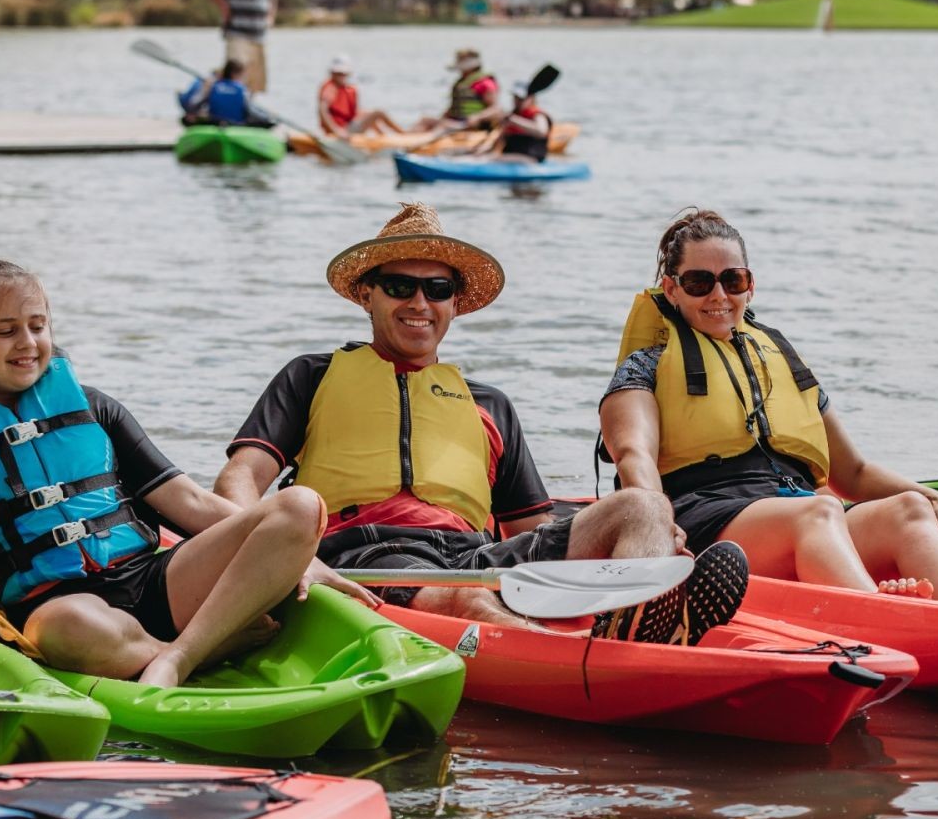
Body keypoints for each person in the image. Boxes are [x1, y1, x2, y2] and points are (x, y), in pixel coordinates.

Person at [213, 202, 749, 646]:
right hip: (370, 553)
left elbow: (532, 534)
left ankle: (638, 616)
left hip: (472, 552)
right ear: (367, 295)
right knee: (466, 597)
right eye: (399, 286)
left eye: (437, 290)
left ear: (453, 305)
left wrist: (638, 538)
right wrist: (277, 557)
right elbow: (239, 480)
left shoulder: (489, 404)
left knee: (645, 506)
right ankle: (590, 653)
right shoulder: (313, 375)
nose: (419, 303)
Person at [0, 258, 375, 690]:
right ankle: (202, 647)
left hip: (153, 580)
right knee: (69, 628)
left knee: (300, 505)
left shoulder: (93, 407)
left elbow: (190, 503)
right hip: (53, 607)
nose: (28, 343)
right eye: (6, 331)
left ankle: (181, 657)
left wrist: (300, 555)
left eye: (38, 326)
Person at [599, 209, 938, 607]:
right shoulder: (647, 366)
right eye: (698, 283)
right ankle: (880, 613)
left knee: (906, 509)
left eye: (733, 280)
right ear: (672, 288)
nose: (718, 295)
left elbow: (853, 473)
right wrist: (658, 526)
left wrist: (927, 494)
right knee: (818, 510)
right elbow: (634, 456)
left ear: (751, 285)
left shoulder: (777, 360)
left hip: (803, 514)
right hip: (710, 522)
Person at [410, 48, 499, 133]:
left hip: (472, 124)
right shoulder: (462, 83)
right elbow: (453, 108)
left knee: (445, 125)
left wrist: (478, 117)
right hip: (456, 121)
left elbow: (494, 109)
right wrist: (443, 117)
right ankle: (408, 139)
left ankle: (423, 142)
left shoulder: (485, 83)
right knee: (425, 120)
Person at [316, 56, 403, 137]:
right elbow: (322, 110)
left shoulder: (347, 89)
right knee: (379, 113)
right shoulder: (329, 88)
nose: (341, 76)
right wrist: (336, 131)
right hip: (342, 130)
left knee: (370, 114)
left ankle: (383, 139)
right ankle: (403, 135)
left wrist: (368, 117)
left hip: (346, 126)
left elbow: (354, 114)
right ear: (332, 74)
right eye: (338, 74)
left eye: (343, 74)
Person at [178, 59, 271, 127]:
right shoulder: (242, 90)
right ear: (235, 74)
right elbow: (250, 110)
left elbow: (193, 105)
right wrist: (267, 118)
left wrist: (204, 91)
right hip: (236, 125)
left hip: (215, 123)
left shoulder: (213, 87)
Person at [480, 79, 552, 162]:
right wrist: (482, 151)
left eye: (521, 99)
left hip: (530, 158)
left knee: (491, 159)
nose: (517, 101)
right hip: (512, 157)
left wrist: (515, 121)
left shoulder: (538, 115)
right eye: (515, 98)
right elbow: (500, 140)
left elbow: (541, 131)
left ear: (531, 98)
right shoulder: (512, 116)